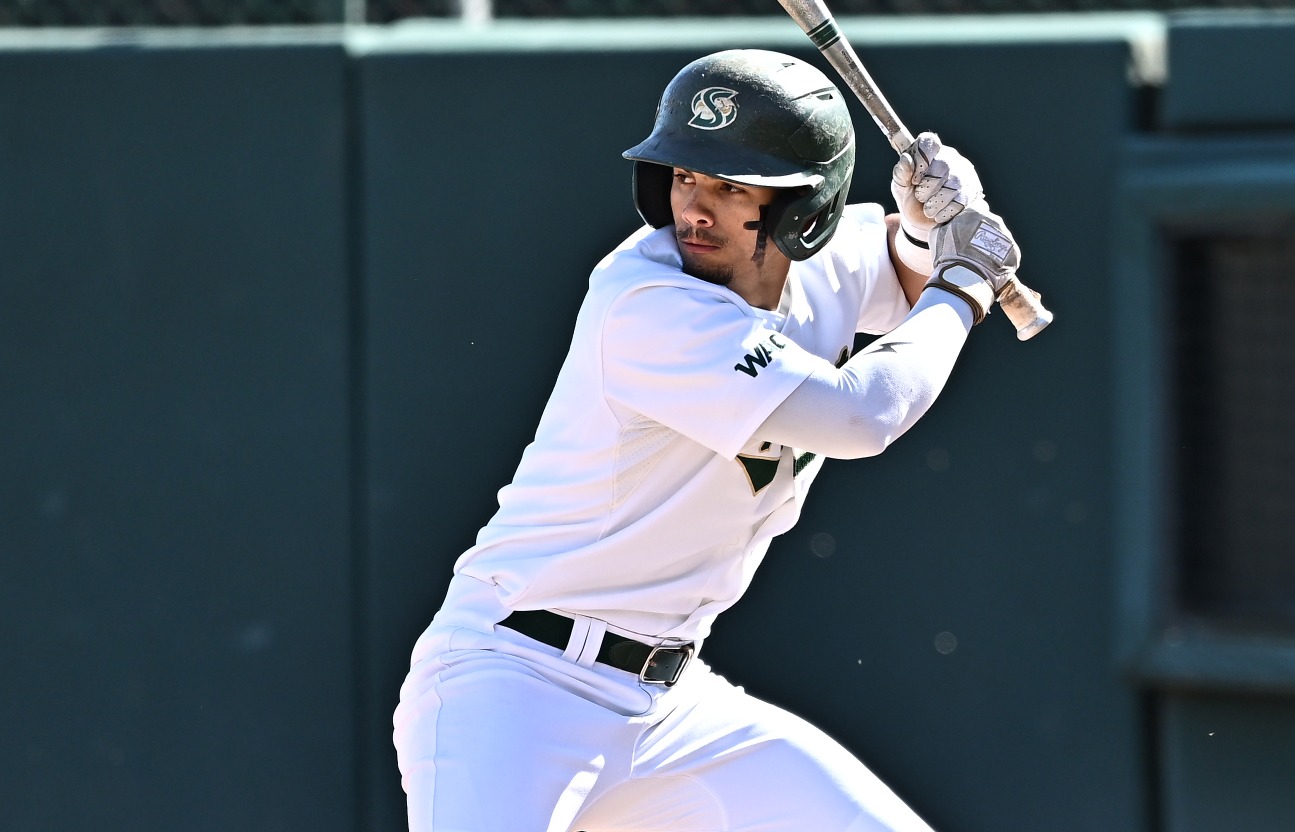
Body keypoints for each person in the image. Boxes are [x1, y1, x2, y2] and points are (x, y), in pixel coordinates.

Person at [393, 48, 1022, 832]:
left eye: (729, 187)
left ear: (805, 211)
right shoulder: (648, 302)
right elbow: (865, 415)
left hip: (670, 703)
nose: (696, 207)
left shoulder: (819, 260)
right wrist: (962, 286)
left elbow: (895, 274)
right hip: (514, 685)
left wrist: (930, 234)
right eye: (685, 177)